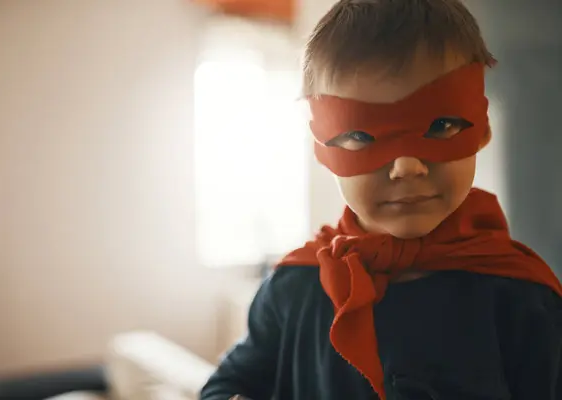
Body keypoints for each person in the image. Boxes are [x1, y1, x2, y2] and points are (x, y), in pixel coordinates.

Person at [200, 1, 562, 399]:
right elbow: (228, 385)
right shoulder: (293, 289)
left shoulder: (524, 299)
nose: (406, 165)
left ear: (482, 126)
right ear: (321, 147)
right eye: (362, 136)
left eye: (441, 125)